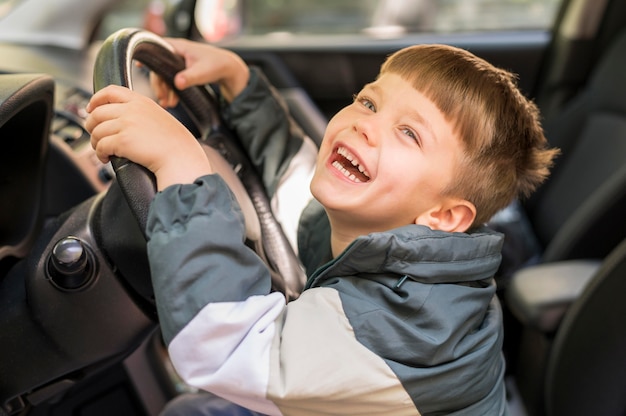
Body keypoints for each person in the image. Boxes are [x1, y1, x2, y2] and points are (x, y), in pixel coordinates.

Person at [85, 38, 558, 415]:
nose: (364, 126)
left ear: (444, 216)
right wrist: (238, 80)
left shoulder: (407, 325)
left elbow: (223, 347)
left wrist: (182, 168)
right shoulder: (380, 241)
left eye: (409, 133)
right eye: (369, 103)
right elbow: (292, 183)